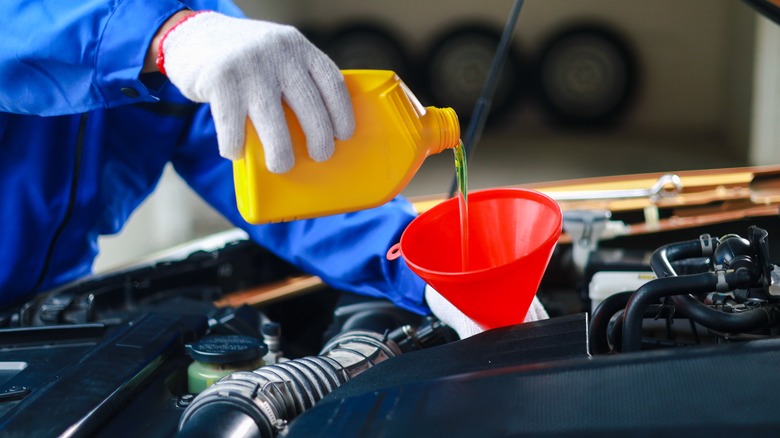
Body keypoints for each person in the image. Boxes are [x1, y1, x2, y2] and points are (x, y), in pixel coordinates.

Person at [0, 0, 545, 338]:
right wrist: (163, 36)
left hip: (43, 315)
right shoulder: (188, 34)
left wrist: (420, 268)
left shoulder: (204, 26)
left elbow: (291, 181)